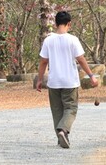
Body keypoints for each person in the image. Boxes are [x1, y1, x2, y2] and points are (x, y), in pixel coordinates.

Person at [36, 10, 99, 148]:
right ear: (69, 24)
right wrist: (91, 76)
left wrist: (40, 80)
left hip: (53, 82)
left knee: (57, 110)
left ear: (55, 23)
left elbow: (43, 62)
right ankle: (63, 131)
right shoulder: (72, 40)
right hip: (70, 81)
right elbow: (81, 59)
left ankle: (61, 138)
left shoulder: (48, 40)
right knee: (70, 108)